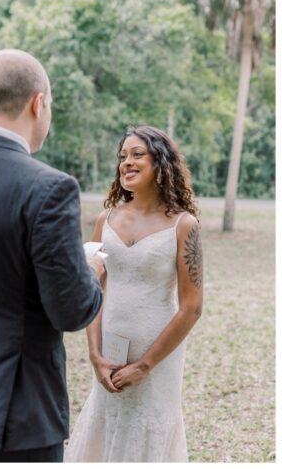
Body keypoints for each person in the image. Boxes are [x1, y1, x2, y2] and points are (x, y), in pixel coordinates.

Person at [0, 49, 106, 462]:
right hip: (16, 407)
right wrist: (90, 270)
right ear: (38, 102)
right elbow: (71, 309)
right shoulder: (50, 188)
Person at [65, 126, 202, 462]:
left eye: (137, 154)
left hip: (158, 363)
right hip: (109, 357)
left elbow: (192, 308)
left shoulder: (184, 225)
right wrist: (96, 355)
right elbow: (93, 291)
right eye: (123, 156)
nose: (126, 162)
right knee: (106, 426)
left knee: (149, 431)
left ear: (162, 161)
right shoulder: (105, 220)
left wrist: (145, 365)